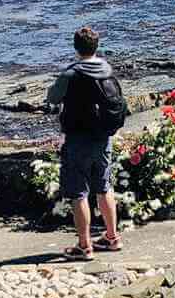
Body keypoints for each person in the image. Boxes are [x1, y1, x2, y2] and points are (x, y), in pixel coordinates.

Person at [46, 26, 127, 259]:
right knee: (104, 187)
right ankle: (112, 237)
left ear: (75, 48)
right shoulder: (107, 70)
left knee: (78, 193)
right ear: (96, 46)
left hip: (78, 139)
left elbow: (52, 98)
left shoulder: (71, 74)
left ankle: (84, 245)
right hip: (103, 137)